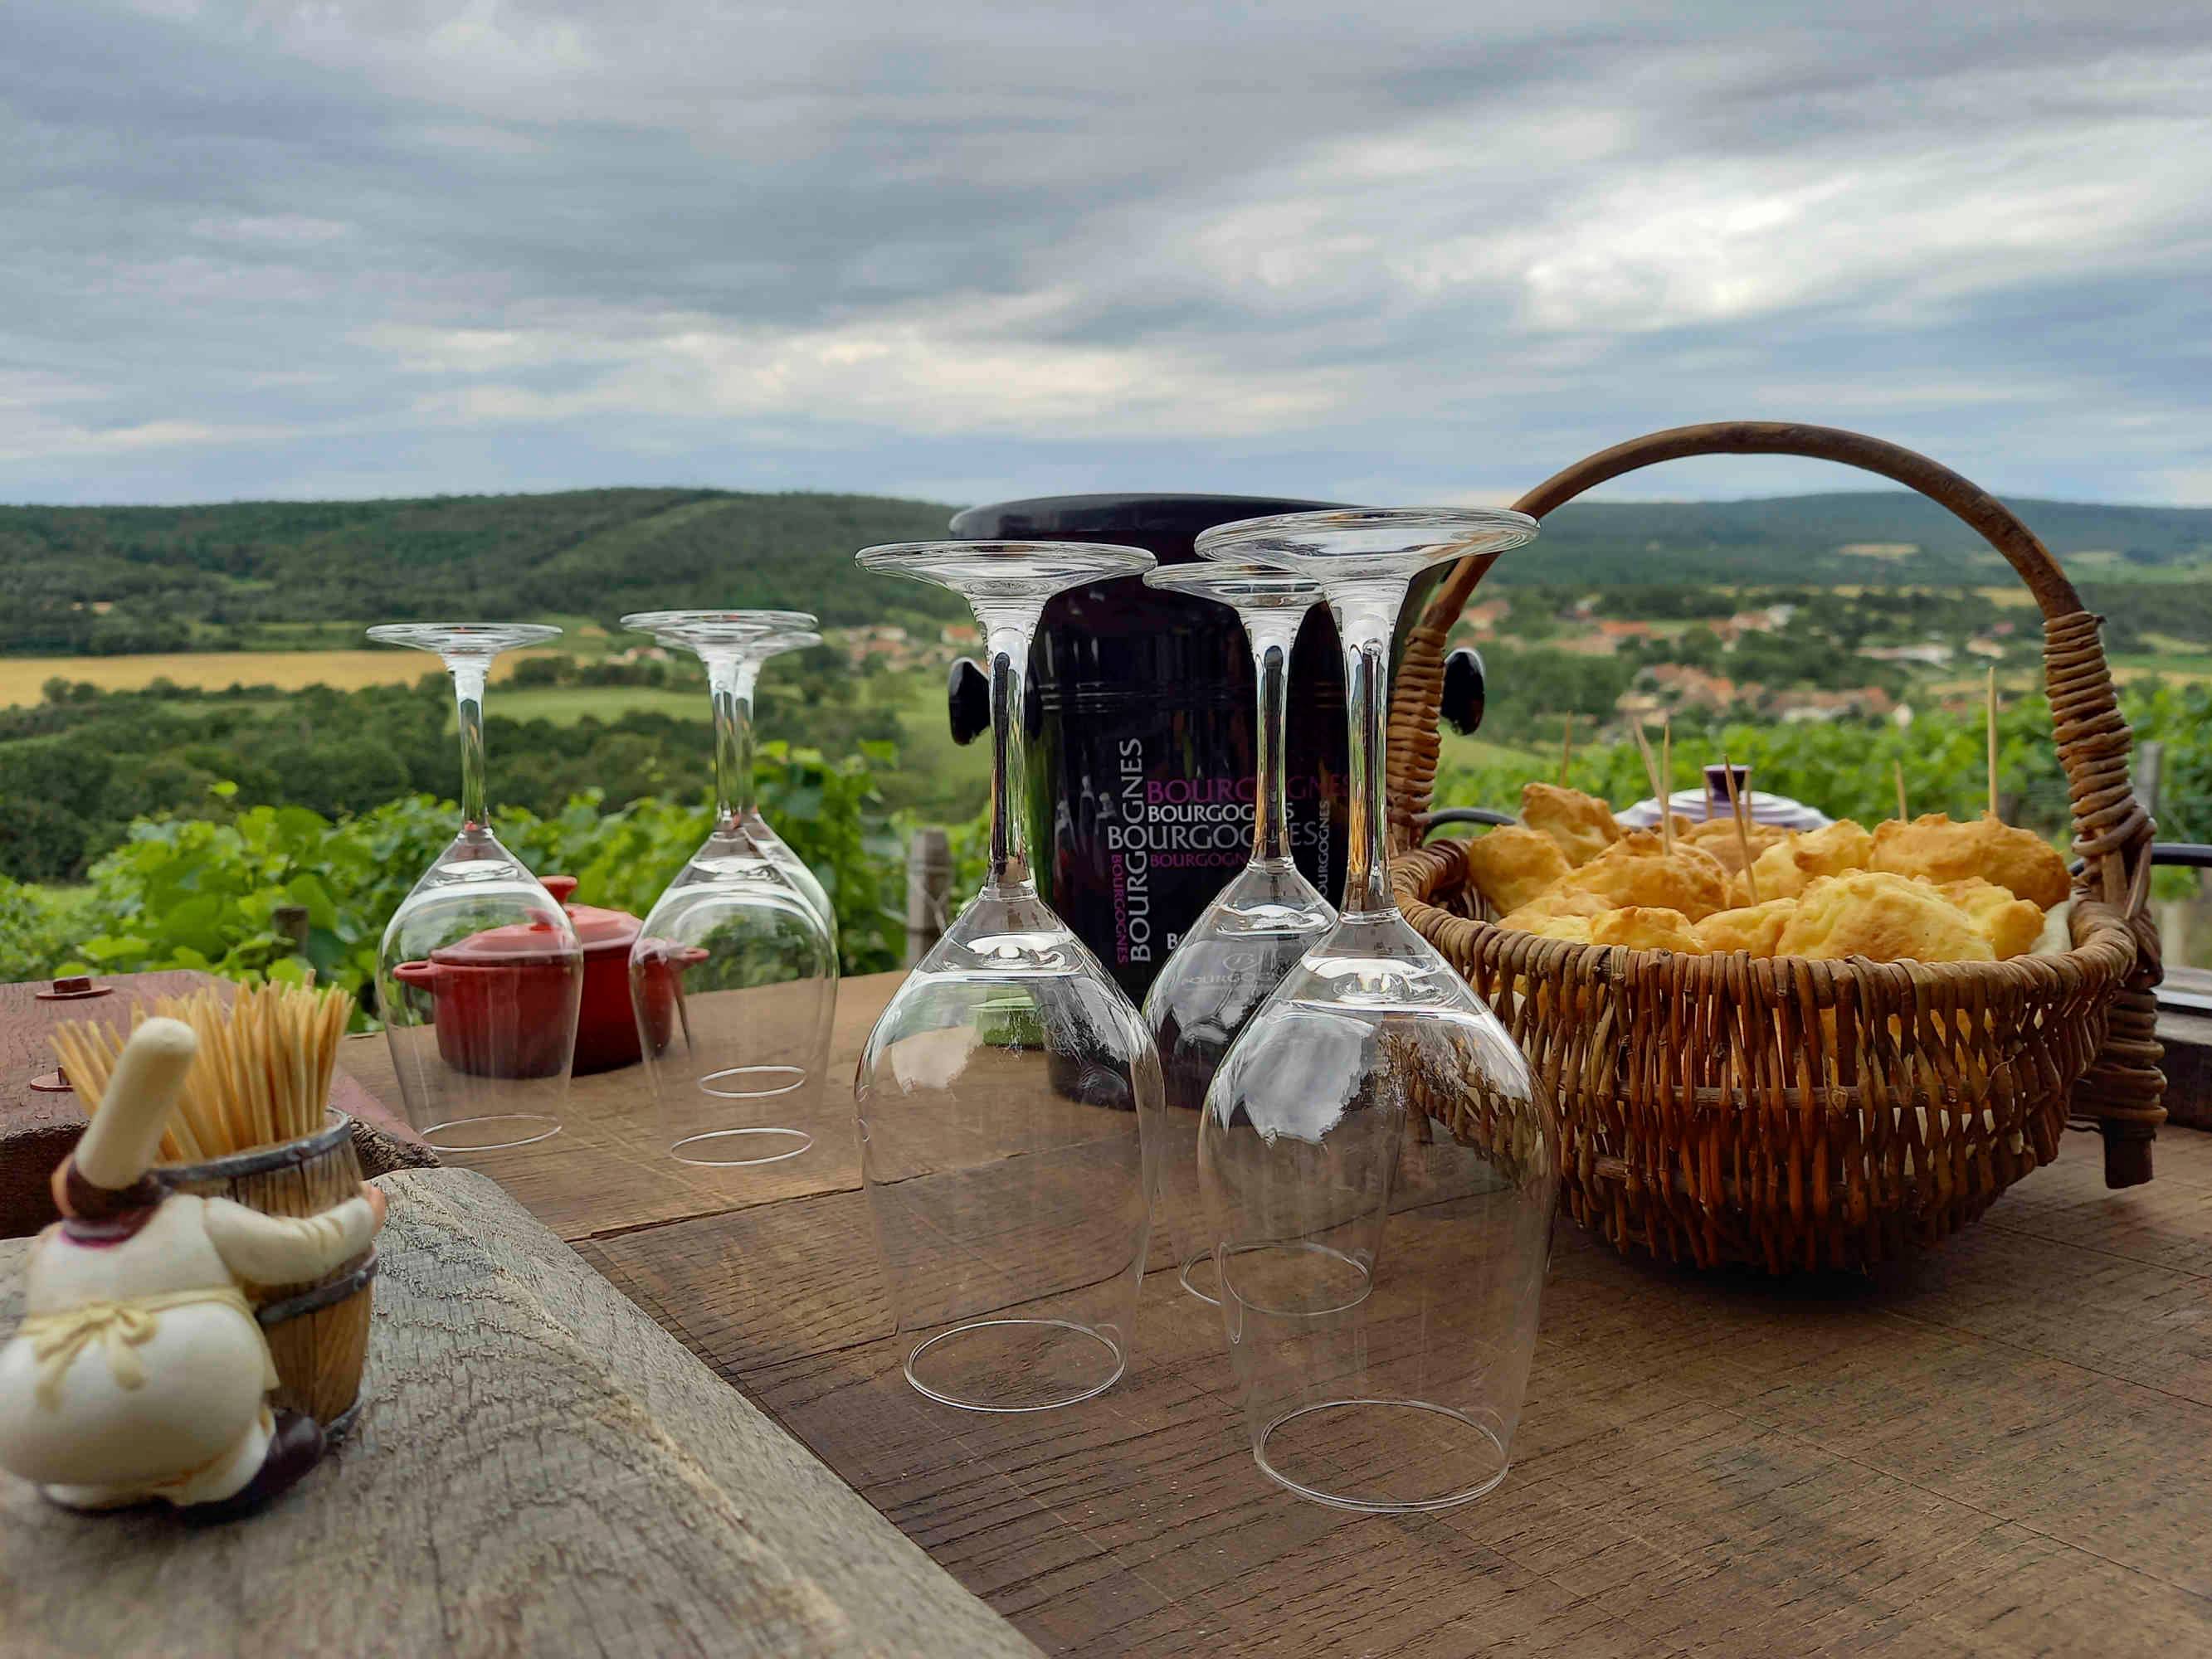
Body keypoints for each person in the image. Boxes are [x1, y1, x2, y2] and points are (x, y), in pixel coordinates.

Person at [0, 1018, 387, 1520]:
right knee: (266, 1431)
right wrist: (363, 1214)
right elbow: (307, 1248)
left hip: (38, 1422)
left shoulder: (50, 1247)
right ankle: (222, 1478)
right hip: (185, 1394)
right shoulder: (196, 1216)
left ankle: (97, 1488)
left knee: (84, 1422)